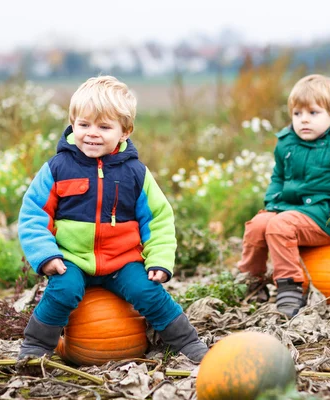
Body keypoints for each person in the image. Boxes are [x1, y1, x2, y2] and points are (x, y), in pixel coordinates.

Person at [17, 76, 208, 362]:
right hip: (72, 258)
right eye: (83, 125)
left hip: (122, 260)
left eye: (104, 127)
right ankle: (35, 346)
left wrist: (159, 260)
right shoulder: (57, 168)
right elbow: (33, 213)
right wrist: (45, 254)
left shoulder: (136, 173)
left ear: (124, 131)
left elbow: (158, 219)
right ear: (72, 122)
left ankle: (187, 342)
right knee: (63, 290)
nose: (91, 133)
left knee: (147, 291)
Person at [237, 74, 330, 318]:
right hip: (290, 211)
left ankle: (290, 287)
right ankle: (252, 280)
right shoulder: (287, 142)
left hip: (326, 217)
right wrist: (273, 201)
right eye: (297, 114)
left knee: (279, 226)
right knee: (257, 225)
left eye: (313, 113)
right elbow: (278, 176)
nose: (303, 120)